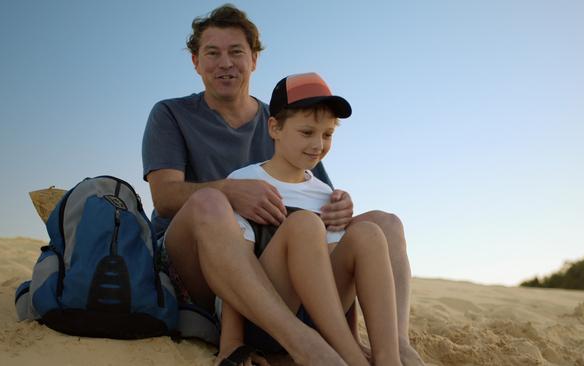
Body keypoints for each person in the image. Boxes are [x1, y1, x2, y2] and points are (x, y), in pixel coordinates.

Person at [141, 4, 424, 366]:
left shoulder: (289, 121)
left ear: (254, 59)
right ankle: (301, 342)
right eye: (212, 53)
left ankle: (396, 347)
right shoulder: (170, 114)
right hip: (196, 261)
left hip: (282, 269)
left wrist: (342, 204)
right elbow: (165, 199)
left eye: (236, 52)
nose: (225, 62)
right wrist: (229, 192)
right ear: (196, 61)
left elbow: (319, 207)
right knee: (212, 203)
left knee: (383, 224)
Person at [216, 72, 401, 366]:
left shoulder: (323, 193)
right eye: (307, 132)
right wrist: (233, 343)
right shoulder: (245, 182)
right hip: (267, 315)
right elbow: (232, 266)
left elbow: (337, 272)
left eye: (327, 134)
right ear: (275, 128)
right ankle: (352, 359)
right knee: (304, 224)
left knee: (369, 233)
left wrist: (352, 332)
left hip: (320, 319)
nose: (318, 144)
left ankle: (388, 358)